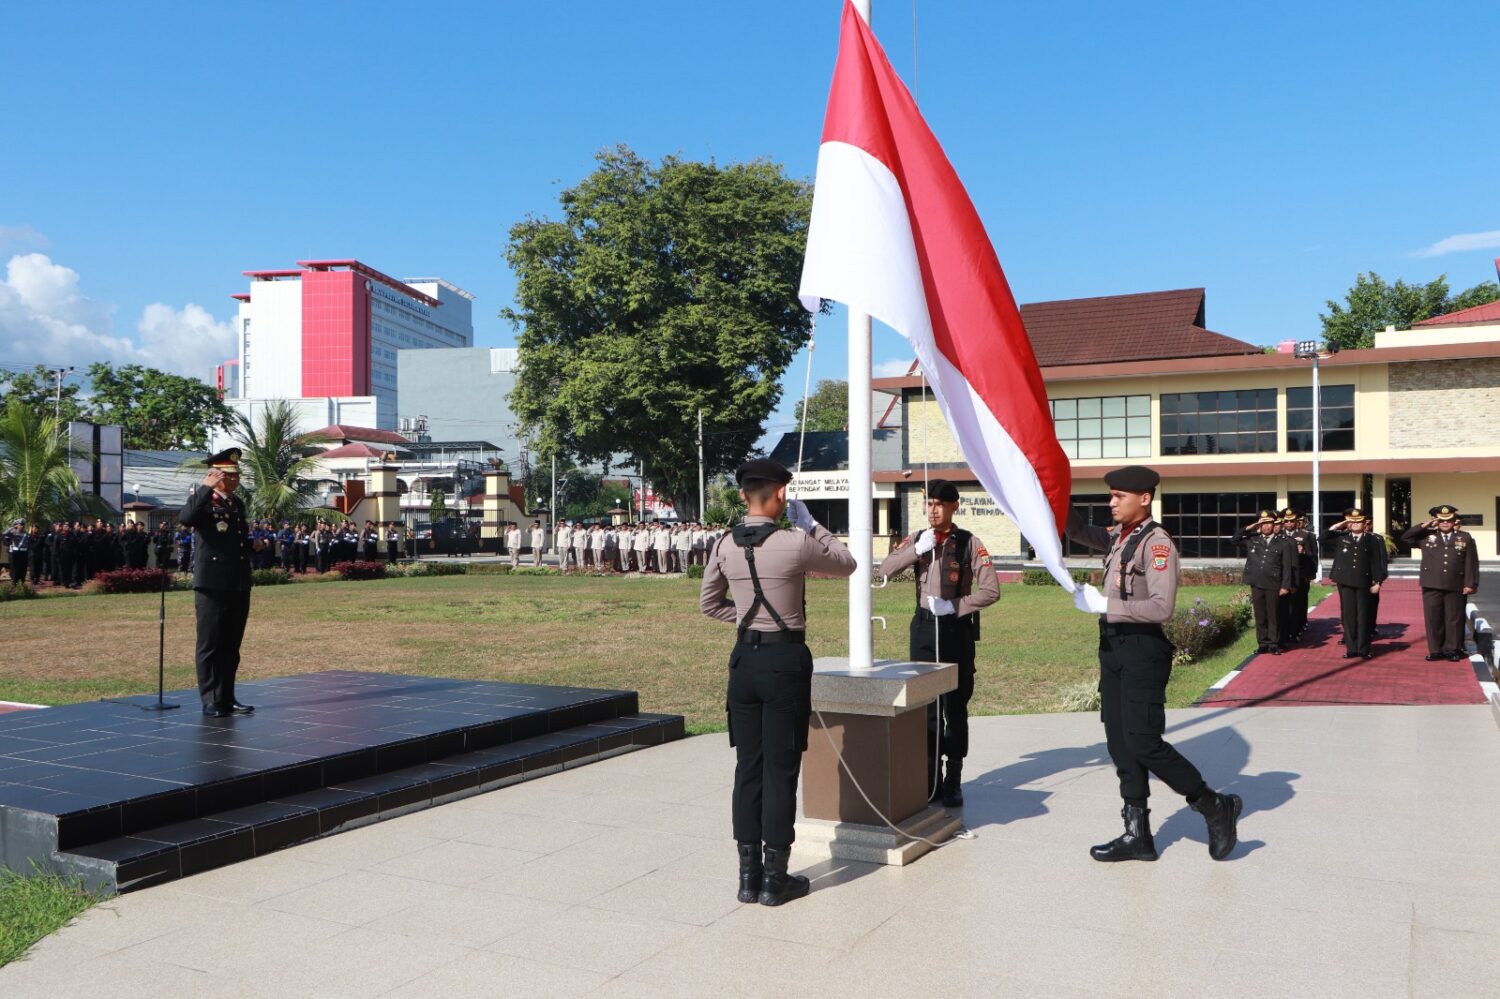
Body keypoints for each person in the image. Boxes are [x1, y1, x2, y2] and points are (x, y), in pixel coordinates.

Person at [1066, 465, 1242, 862]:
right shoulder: (1118, 535)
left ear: (1144, 498)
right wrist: (1051, 497)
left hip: (1143, 652)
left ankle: (1214, 804)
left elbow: (1162, 608)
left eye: (1119, 496)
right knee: (1119, 743)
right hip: (1113, 649)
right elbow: (1075, 530)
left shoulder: (1156, 543)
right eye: (1110, 495)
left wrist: (1105, 605)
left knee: (1143, 742)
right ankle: (1138, 835)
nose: (1111, 502)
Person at [700, 458, 856, 906]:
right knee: (780, 768)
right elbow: (847, 563)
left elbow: (709, 604)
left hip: (743, 664)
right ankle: (774, 878)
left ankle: (747, 878)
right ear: (783, 494)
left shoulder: (724, 543)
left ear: (743, 495)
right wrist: (812, 526)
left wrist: (747, 618)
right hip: (785, 661)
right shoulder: (795, 542)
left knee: (748, 766)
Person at [877, 479, 1000, 806]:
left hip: (955, 629)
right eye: (929, 504)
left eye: (940, 504)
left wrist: (955, 606)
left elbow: (991, 590)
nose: (933, 510)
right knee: (925, 706)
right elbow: (885, 570)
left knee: (955, 707)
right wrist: (916, 550)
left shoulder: (969, 543)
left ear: (954, 506)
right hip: (923, 629)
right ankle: (929, 777)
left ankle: (953, 778)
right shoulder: (919, 538)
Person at [176, 448, 255, 718]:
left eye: (236, 475)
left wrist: (254, 545)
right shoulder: (204, 501)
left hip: (237, 582)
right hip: (212, 584)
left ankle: (226, 697)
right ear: (215, 476)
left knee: (231, 645)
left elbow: (234, 541)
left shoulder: (236, 504)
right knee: (210, 644)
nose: (234, 480)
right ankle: (210, 699)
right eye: (228, 475)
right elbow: (186, 518)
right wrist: (204, 488)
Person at [1402, 505, 1478, 662]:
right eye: (1442, 520)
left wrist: (1470, 584)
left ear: (1454, 521)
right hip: (1432, 584)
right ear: (1436, 521)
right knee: (1433, 618)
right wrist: (1426, 525)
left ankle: (1452, 650)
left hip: (1455, 583)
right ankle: (1435, 650)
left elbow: (1471, 562)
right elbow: (1406, 538)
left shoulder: (1464, 537)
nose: (1445, 523)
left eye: (1448, 520)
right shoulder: (1426, 536)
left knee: (1454, 619)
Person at [1321, 508, 1387, 660]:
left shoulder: (1372, 540)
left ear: (1365, 524)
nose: (1356, 524)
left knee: (1364, 616)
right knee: (1349, 616)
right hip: (1346, 581)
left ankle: (1364, 649)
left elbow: (1376, 562)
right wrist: (1342, 523)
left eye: (1359, 522)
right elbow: (1323, 538)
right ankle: (1351, 649)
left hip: (1364, 581)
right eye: (1353, 522)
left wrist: (1378, 582)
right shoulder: (1342, 538)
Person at [1235, 510, 1291, 654]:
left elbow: (1286, 567)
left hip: (1273, 583)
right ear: (1259, 525)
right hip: (1256, 582)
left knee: (1273, 615)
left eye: (1269, 523)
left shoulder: (1282, 543)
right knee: (1260, 615)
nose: (1266, 526)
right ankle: (1262, 643)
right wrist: (1250, 527)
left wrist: (1285, 586)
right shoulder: (1253, 539)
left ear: (1274, 524)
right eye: (1263, 523)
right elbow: (1234, 539)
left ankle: (1273, 643)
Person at [1286, 512, 1319, 639]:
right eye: (1287, 521)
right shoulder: (1281, 534)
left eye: (1294, 521)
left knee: (1299, 601)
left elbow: (1313, 555)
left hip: (1301, 573)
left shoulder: (1306, 535)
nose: (1290, 523)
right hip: (1285, 575)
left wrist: (1312, 573)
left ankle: (1298, 626)